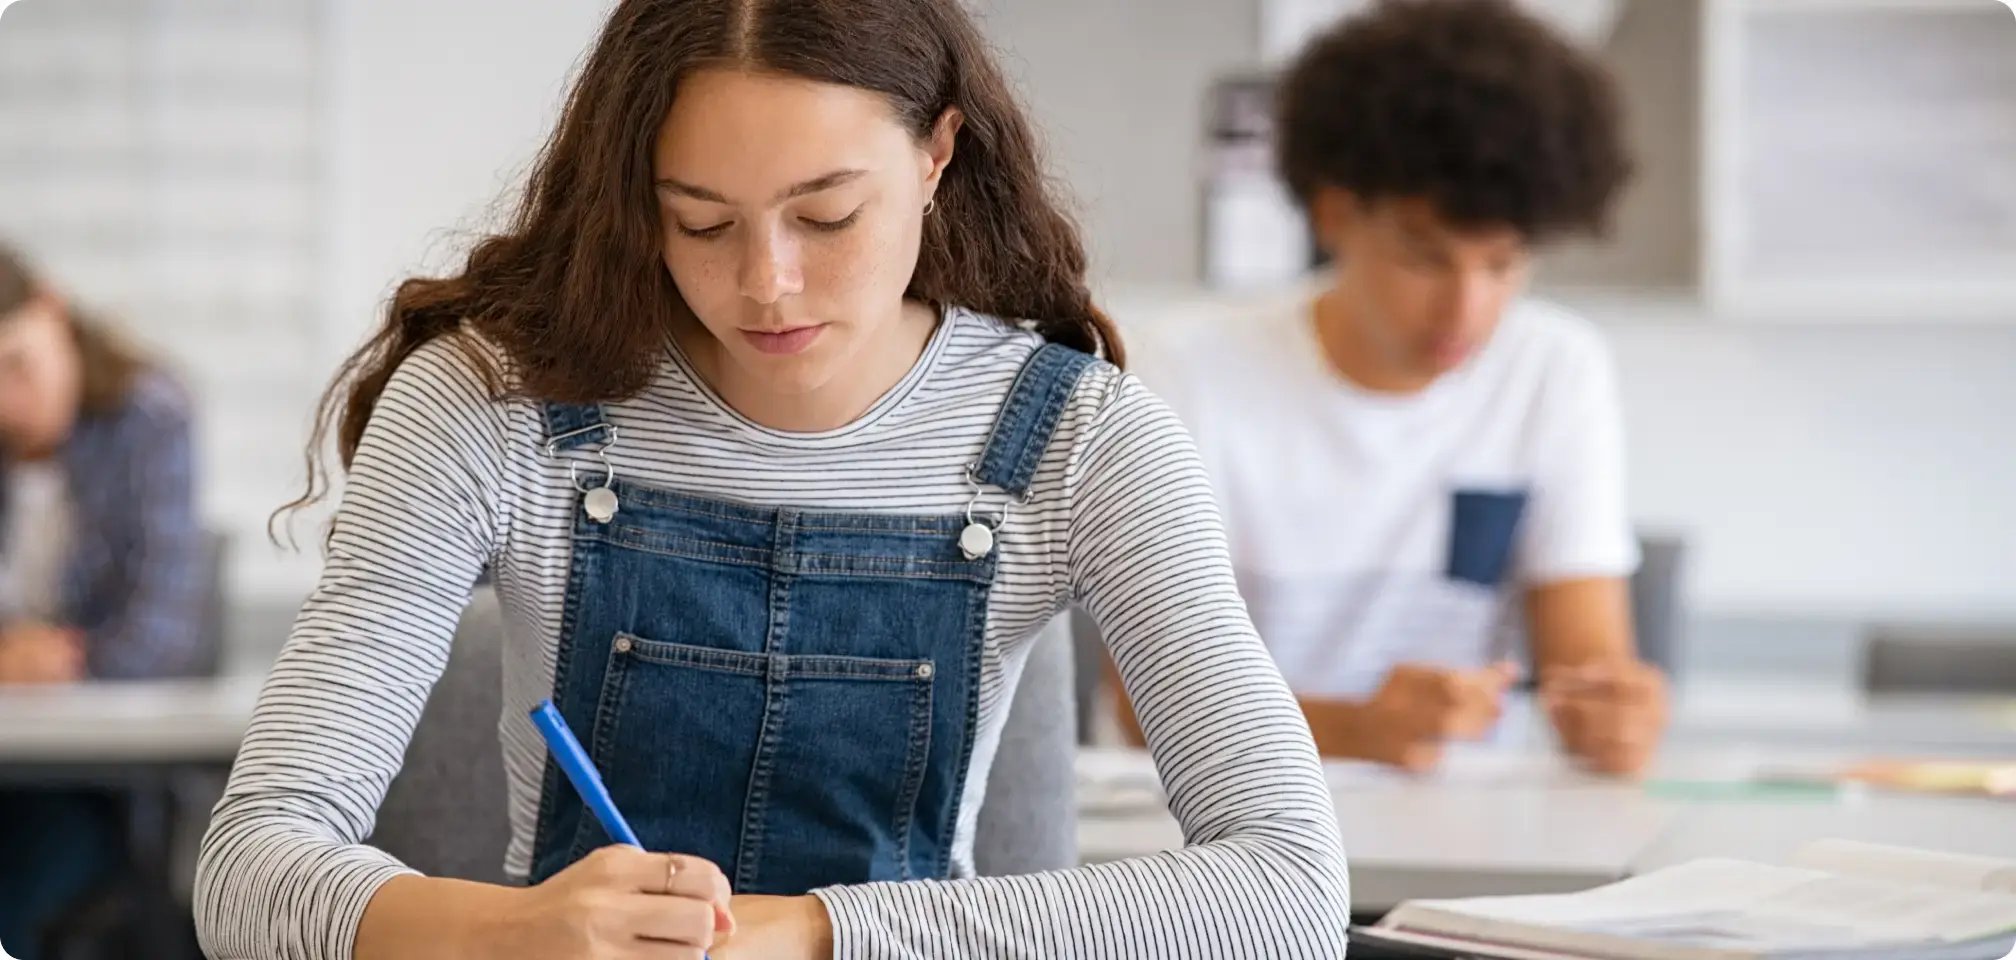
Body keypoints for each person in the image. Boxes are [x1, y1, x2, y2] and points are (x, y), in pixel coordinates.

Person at [192, 1, 1350, 958]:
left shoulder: (1085, 441)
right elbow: (250, 868)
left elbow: (1287, 890)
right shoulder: (491, 406)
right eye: (700, 224)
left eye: (828, 215)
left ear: (937, 154)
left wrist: (800, 936)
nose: (768, 285)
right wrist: (509, 934)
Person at [1129, 0, 1668, 777]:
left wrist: (1612, 716)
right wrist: (1357, 728)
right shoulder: (1189, 370)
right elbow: (1143, 705)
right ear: (1334, 212)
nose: (1467, 309)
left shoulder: (1554, 369)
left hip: (1464, 832)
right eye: (1425, 257)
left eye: (1503, 263)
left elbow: (1586, 664)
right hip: (1229, 830)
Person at [0, 244, 206, 958]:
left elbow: (161, 635)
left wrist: (56, 656)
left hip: (92, 784)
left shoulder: (148, 418)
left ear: (52, 310)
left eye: (16, 364)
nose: (7, 403)